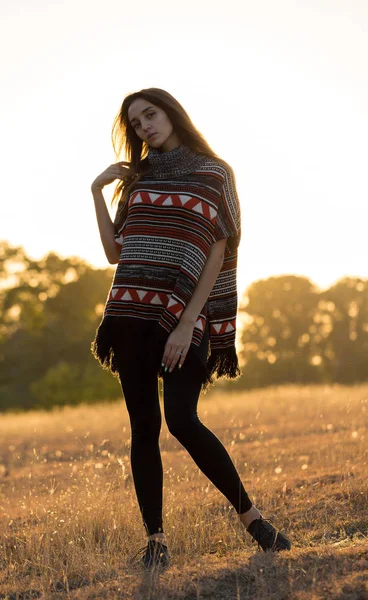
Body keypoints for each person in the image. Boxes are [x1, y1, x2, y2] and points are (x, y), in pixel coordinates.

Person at [90, 88, 291, 569]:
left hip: (184, 318)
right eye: (136, 124)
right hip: (129, 315)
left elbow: (218, 251)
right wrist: (96, 191)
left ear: (172, 113)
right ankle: (156, 539)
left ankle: (254, 521)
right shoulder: (137, 179)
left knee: (181, 419)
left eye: (150, 115)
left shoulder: (214, 173)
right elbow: (114, 253)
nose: (145, 127)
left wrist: (185, 324)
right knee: (144, 427)